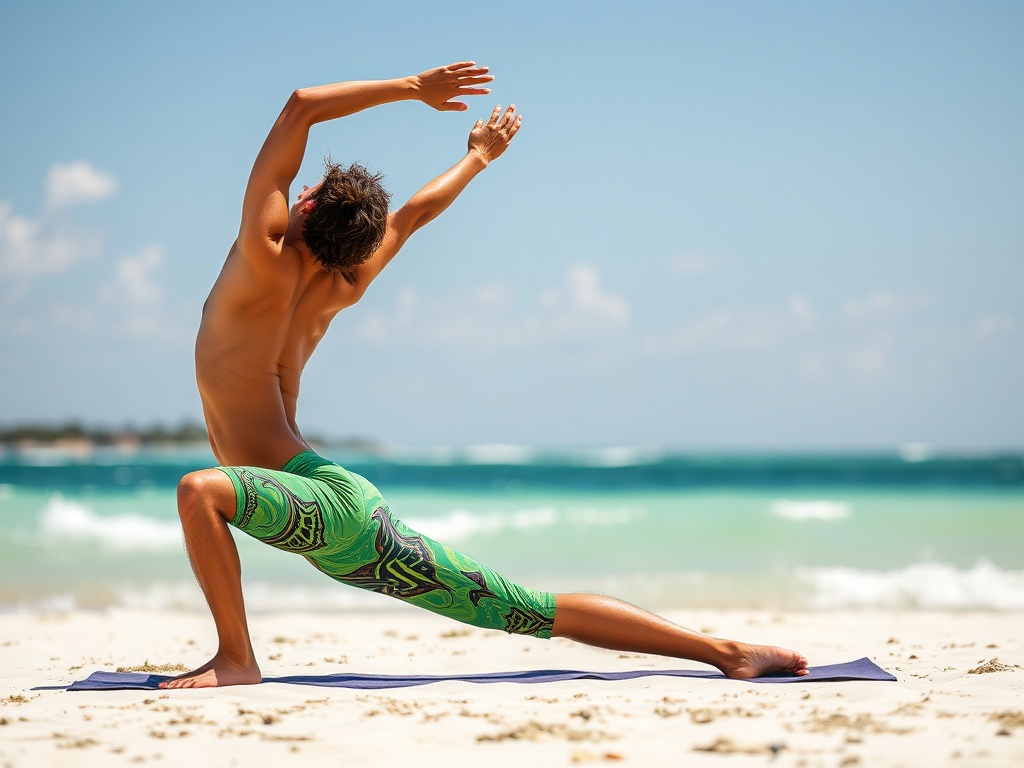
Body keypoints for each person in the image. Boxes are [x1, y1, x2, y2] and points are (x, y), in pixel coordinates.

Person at [162, 62, 808, 689]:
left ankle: (237, 658)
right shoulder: (346, 282)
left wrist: (414, 88)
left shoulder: (263, 254)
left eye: (302, 190)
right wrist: (478, 157)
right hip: (336, 515)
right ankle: (726, 652)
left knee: (200, 491)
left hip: (323, 504)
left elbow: (301, 105)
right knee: (530, 609)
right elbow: (411, 215)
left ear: (302, 205)